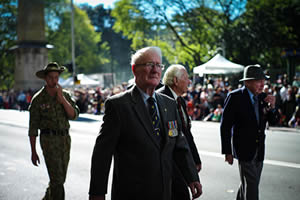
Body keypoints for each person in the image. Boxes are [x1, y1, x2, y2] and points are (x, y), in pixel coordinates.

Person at [89, 46, 202, 200]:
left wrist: (192, 177)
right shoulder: (119, 105)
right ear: (134, 69)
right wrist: (97, 193)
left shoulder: (169, 104)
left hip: (164, 192)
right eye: (150, 64)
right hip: (132, 193)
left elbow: (179, 145)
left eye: (158, 65)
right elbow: (102, 154)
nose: (155, 70)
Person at [220, 64, 279, 200]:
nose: (262, 84)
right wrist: (227, 151)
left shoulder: (263, 98)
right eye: (258, 81)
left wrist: (273, 107)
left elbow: (273, 122)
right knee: (252, 186)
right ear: (247, 82)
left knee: (249, 184)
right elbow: (225, 126)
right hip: (244, 150)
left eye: (263, 80)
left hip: (259, 150)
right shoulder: (235, 97)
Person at [28, 62, 80, 200]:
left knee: (59, 179)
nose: (54, 80)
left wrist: (62, 99)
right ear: (45, 78)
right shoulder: (38, 99)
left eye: (56, 77)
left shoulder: (65, 95)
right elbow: (33, 128)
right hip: (49, 141)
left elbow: (74, 115)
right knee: (57, 181)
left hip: (65, 140)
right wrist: (33, 151)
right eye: (51, 77)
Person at [157, 64, 202, 200]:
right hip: (168, 163)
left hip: (181, 159)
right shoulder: (160, 99)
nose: (189, 82)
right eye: (186, 78)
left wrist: (195, 158)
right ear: (175, 81)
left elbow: (186, 133)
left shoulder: (180, 100)